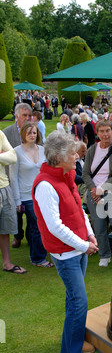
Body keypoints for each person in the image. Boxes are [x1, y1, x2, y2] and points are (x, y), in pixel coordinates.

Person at [32, 131, 98, 353]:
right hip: (65, 253)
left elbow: (79, 211)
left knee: (75, 300)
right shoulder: (46, 185)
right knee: (79, 301)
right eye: (72, 153)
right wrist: (83, 245)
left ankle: (76, 339)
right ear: (59, 157)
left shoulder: (67, 176)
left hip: (78, 249)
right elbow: (55, 227)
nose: (76, 156)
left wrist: (89, 234)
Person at [82, 121, 112, 267]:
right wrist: (93, 190)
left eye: (108, 130)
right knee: (99, 227)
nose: (105, 134)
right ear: (97, 132)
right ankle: (104, 255)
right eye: (101, 131)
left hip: (111, 193)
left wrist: (101, 189)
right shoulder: (92, 150)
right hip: (93, 194)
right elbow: (85, 173)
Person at [10, 122, 52, 268]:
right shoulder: (16, 152)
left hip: (43, 193)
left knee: (38, 226)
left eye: (34, 132)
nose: (32, 135)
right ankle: (38, 259)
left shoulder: (42, 150)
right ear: (23, 134)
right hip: (26, 196)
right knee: (38, 224)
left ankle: (40, 252)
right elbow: (13, 178)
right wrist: (17, 200)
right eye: (29, 133)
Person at [3, 103, 33, 249]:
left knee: (32, 211)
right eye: (24, 116)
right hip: (11, 177)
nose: (27, 119)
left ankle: (29, 236)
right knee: (16, 210)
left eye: (29, 116)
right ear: (16, 117)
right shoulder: (7, 133)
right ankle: (18, 235)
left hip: (29, 178)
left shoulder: (35, 131)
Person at [0, 130, 27, 274]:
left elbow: (12, 157)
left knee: (4, 229)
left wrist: (3, 156)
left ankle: (7, 263)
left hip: (4, 187)